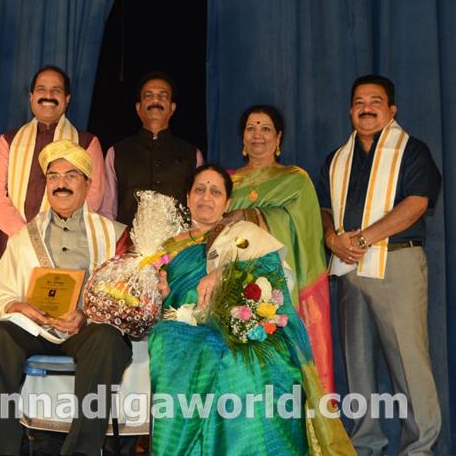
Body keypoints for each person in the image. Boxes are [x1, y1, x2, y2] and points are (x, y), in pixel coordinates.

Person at [148, 164, 355, 456]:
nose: (206, 197)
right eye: (199, 190)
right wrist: (159, 292)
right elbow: (153, 299)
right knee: (177, 343)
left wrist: (223, 273)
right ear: (188, 197)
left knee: (254, 361)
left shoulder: (243, 234)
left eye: (215, 192)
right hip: (185, 327)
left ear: (227, 203)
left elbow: (270, 273)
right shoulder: (167, 247)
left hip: (240, 328)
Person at [0, 140, 132, 456]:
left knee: (108, 340)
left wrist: (86, 315)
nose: (61, 184)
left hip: (84, 331)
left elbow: (124, 297)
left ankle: (81, 451)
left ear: (88, 184)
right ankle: (3, 449)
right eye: (54, 176)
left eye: (71, 176)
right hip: (35, 329)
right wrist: (18, 306)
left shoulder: (113, 235)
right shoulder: (24, 237)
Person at [318, 74, 442, 456]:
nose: (366, 108)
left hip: (396, 262)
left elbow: (417, 203)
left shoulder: (412, 150)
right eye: (359, 102)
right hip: (349, 268)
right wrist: (331, 238)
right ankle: (365, 445)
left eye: (375, 101)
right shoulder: (336, 159)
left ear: (392, 110)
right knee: (357, 365)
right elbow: (324, 208)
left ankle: (419, 448)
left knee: (409, 362)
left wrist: (362, 239)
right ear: (350, 111)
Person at [223, 105, 335, 394]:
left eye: (265, 129)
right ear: (242, 138)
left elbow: (306, 230)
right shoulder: (226, 182)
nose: (257, 135)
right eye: (250, 129)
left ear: (278, 137)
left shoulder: (295, 180)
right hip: (236, 285)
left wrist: (250, 216)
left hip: (285, 286)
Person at [0, 65, 105, 256]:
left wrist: (56, 234)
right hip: (12, 247)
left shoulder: (87, 143)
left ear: (67, 99)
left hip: (65, 249)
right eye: (41, 89)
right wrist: (27, 236)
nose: (48, 95)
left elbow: (93, 197)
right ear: (31, 97)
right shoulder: (8, 141)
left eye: (56, 90)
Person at [100, 71, 203, 224]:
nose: (155, 100)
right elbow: (107, 211)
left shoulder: (192, 154)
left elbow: (199, 208)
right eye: (148, 96)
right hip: (126, 238)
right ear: (138, 108)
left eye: (163, 96)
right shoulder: (116, 152)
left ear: (172, 108)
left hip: (179, 239)